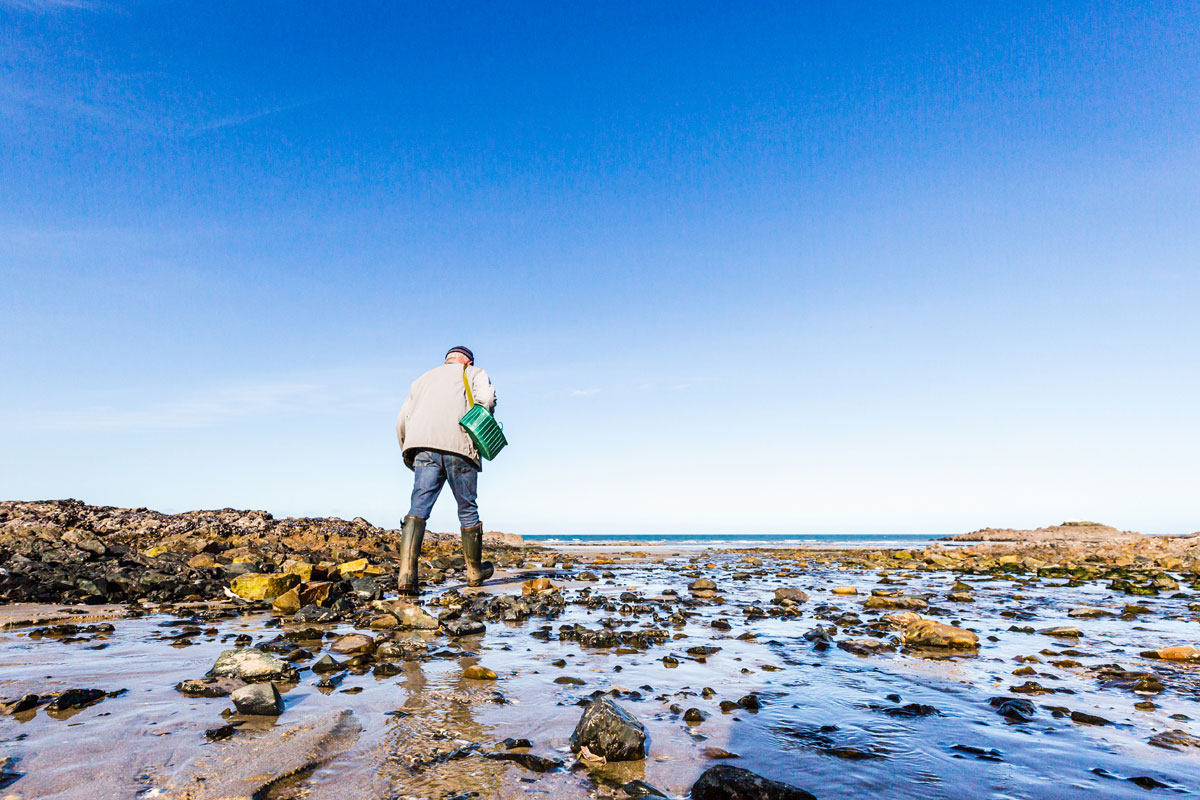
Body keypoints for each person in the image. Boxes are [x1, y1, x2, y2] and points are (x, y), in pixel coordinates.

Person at [394, 345, 497, 595]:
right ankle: (474, 572)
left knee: (418, 509)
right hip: (459, 446)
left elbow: (402, 419)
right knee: (467, 507)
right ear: (468, 362)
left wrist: (408, 450)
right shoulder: (473, 373)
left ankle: (406, 576)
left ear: (445, 362)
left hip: (422, 448)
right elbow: (487, 400)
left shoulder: (421, 380)